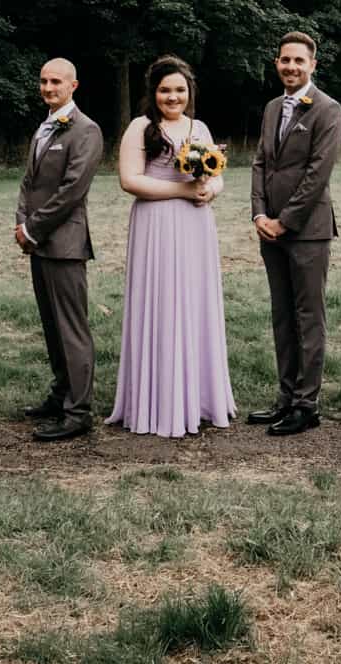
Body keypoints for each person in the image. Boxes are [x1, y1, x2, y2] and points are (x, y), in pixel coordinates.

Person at [106, 56, 236, 437]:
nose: (173, 96)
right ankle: (157, 398)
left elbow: (219, 176)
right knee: (160, 302)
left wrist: (210, 189)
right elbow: (130, 181)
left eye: (179, 89)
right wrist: (183, 189)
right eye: (165, 90)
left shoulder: (200, 128)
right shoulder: (141, 128)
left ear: (189, 91)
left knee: (194, 303)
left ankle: (197, 396)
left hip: (195, 226)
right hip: (156, 226)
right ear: (154, 92)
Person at [249, 31, 341, 436]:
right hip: (268, 229)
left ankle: (308, 404)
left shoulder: (327, 109)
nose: (291, 67)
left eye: (298, 61)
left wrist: (284, 220)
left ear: (312, 65)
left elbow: (317, 173)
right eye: (285, 60)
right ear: (277, 63)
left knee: (308, 316)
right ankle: (285, 397)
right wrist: (258, 214)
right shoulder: (272, 107)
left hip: (307, 230)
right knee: (282, 314)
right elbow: (259, 163)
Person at [15, 57, 104, 442]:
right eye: (43, 81)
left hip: (65, 243)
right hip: (38, 242)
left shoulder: (85, 130)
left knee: (71, 329)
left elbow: (71, 191)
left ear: (73, 86)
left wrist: (32, 228)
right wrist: (22, 222)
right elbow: (29, 182)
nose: (48, 88)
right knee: (51, 326)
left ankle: (79, 411)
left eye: (56, 82)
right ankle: (60, 394)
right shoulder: (44, 127)